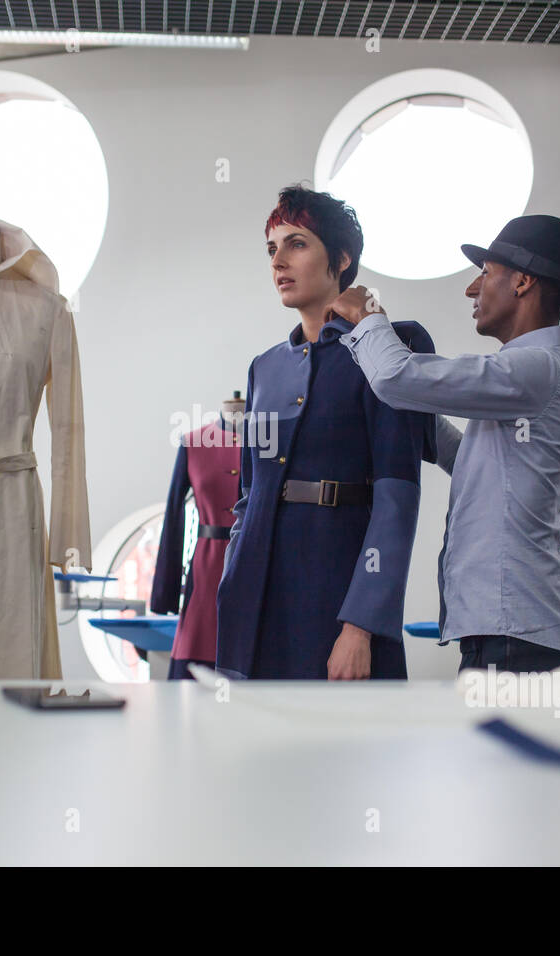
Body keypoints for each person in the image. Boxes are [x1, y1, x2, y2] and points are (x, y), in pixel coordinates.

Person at [330, 214, 560, 673]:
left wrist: (370, 318)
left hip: (519, 638)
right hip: (510, 633)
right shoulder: (534, 377)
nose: (472, 289)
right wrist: (413, 423)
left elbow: (396, 376)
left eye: (485, 273)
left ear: (523, 282)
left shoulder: (539, 369)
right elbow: (474, 463)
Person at [215, 185, 436, 680]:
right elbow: (248, 496)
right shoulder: (264, 368)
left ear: (341, 258)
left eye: (296, 244)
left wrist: (361, 626)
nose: (278, 262)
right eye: (272, 249)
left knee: (347, 748)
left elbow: (397, 498)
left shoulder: (386, 350)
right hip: (257, 589)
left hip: (338, 590)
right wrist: (232, 579)